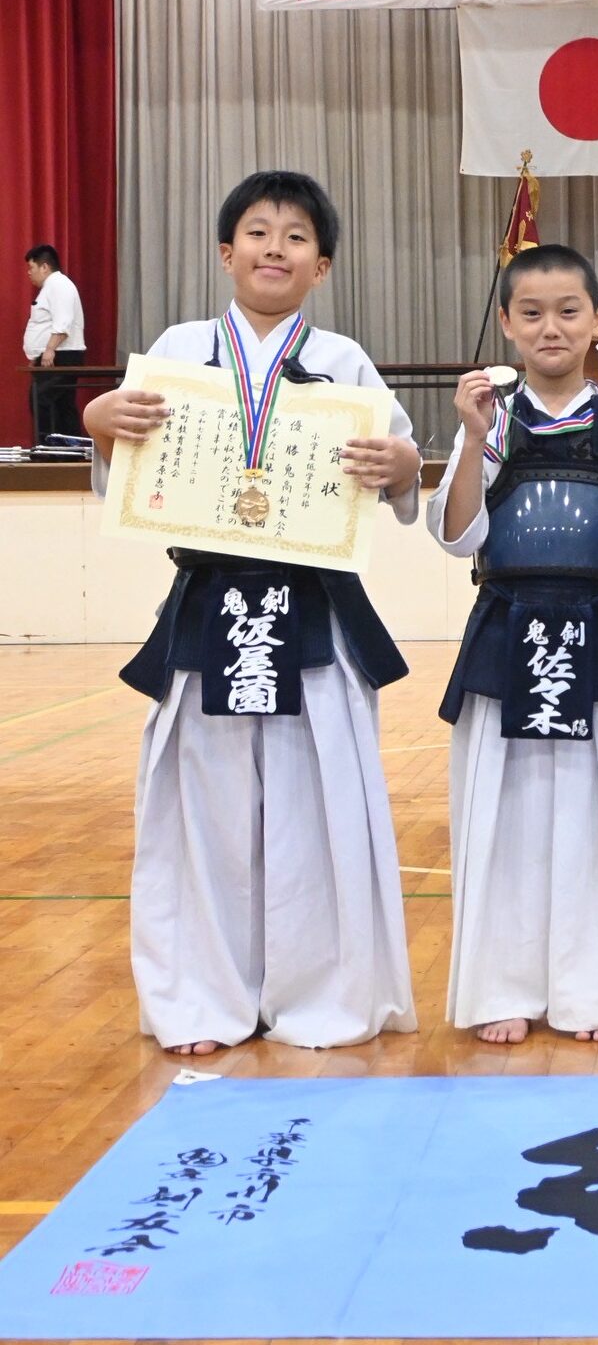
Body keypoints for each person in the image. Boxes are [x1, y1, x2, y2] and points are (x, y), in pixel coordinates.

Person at [81, 170, 419, 1055]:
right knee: (207, 810)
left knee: (319, 805)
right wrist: (100, 419)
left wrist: (402, 467)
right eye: (259, 233)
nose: (277, 248)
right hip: (209, 605)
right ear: (227, 253)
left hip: (315, 606)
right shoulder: (179, 349)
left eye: (297, 236)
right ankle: (203, 997)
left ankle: (325, 995)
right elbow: (124, 470)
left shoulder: (343, 360)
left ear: (323, 266)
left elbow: (399, 467)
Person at [430, 244, 598, 1045]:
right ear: (507, 325)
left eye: (566, 312)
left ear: (596, 322)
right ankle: (503, 987)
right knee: (503, 822)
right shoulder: (489, 423)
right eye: (530, 313)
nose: (548, 328)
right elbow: (456, 537)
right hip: (506, 632)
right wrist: (471, 438)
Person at [22, 244, 85, 439]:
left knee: (42, 400)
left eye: (31, 267)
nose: (29, 273)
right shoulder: (51, 287)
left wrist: (49, 349)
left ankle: (48, 447)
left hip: (61, 355)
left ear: (45, 267)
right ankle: (66, 448)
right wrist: (37, 355)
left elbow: (63, 321)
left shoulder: (58, 285)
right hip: (55, 355)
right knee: (61, 404)